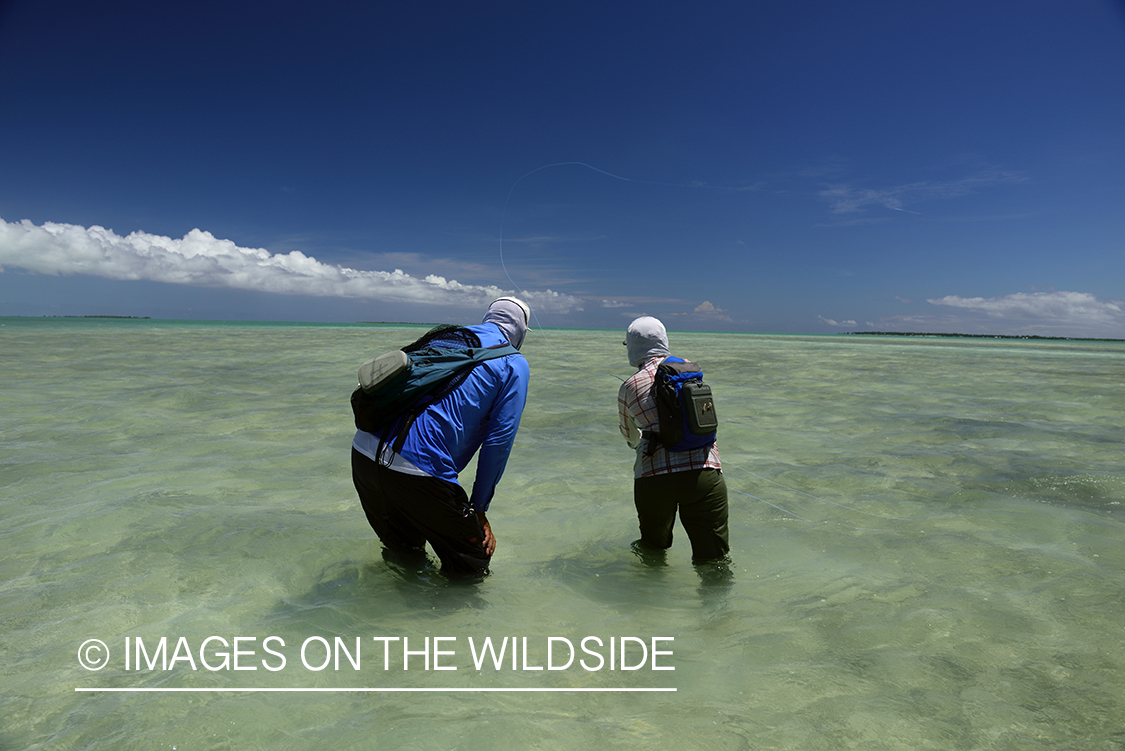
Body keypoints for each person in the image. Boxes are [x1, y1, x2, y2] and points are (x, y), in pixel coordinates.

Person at [351, 297, 531, 576]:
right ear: (520, 330)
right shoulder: (514, 363)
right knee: (471, 564)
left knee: (404, 558)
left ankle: (386, 616)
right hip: (419, 469)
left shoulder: (450, 337)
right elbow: (499, 442)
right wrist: (479, 509)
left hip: (363, 451)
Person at [617, 316, 730, 565]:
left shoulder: (629, 386)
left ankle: (651, 601)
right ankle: (717, 603)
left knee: (652, 552)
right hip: (706, 472)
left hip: (654, 478)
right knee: (714, 561)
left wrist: (640, 442)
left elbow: (629, 435)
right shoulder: (690, 368)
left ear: (634, 346)